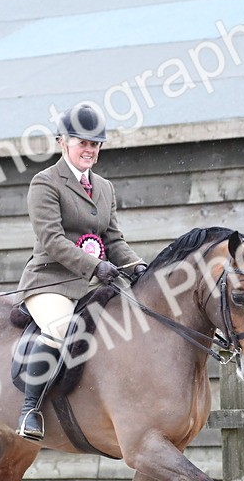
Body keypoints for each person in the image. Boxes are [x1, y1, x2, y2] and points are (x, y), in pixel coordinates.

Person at [15, 102, 147, 440]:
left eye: (94, 144)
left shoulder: (104, 188)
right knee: (60, 329)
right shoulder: (45, 183)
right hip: (50, 281)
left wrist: (138, 266)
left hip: (92, 282)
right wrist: (95, 265)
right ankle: (30, 410)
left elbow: (114, 239)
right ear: (63, 142)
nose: (89, 150)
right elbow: (53, 240)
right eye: (82, 143)